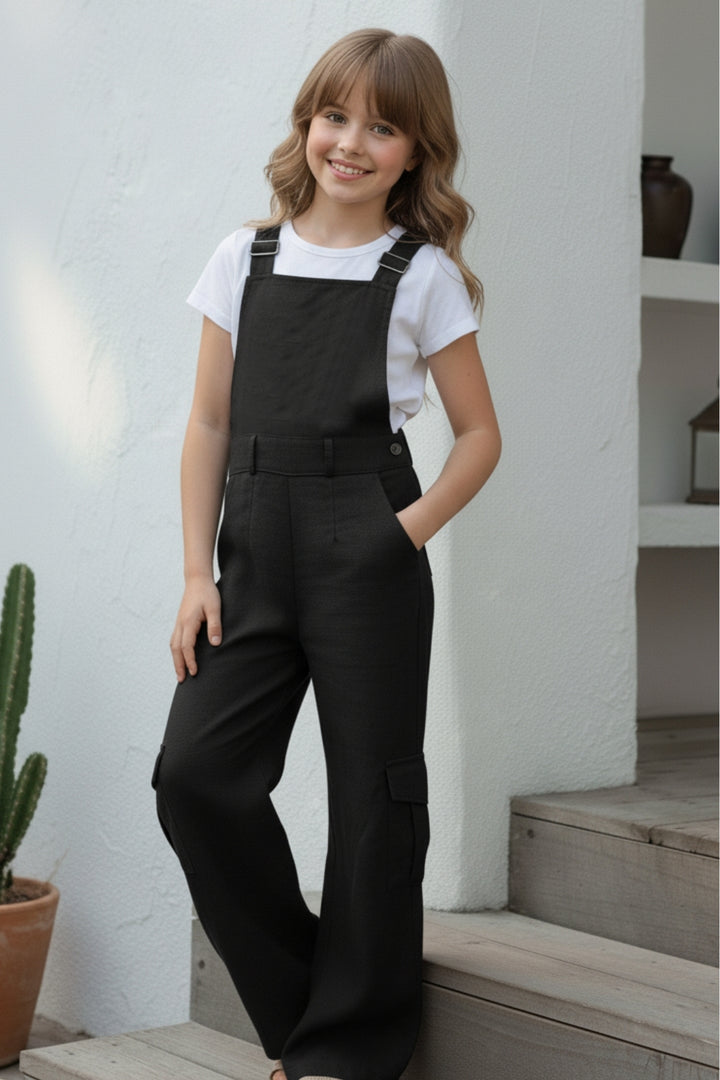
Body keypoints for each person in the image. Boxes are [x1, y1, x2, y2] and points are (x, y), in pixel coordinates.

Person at [152, 27, 501, 1080]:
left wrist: (399, 536)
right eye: (334, 116)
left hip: (368, 537)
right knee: (196, 777)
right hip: (253, 548)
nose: (351, 143)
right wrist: (196, 574)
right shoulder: (243, 258)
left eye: (382, 128)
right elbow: (209, 423)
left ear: (415, 151)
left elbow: (479, 437)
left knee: (373, 799)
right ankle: (311, 1013)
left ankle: (343, 1057)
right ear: (307, 122)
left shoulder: (423, 275)